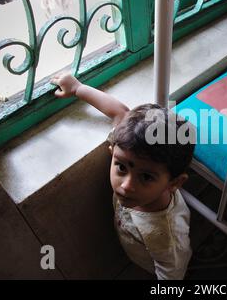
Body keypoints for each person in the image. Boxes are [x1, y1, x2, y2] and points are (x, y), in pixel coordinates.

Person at [51, 73, 195, 280]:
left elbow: (172, 274)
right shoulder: (129, 146)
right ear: (113, 151)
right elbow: (120, 113)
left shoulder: (165, 236)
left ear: (174, 183)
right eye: (121, 167)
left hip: (151, 263)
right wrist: (76, 88)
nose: (126, 186)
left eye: (145, 177)